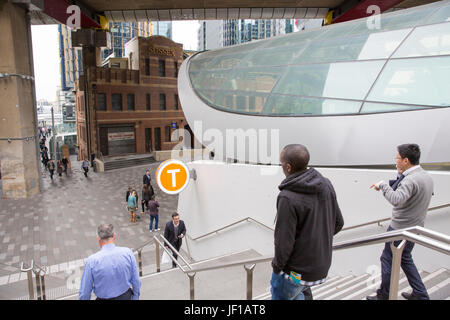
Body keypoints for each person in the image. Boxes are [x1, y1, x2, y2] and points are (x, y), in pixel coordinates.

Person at [271, 144, 344, 300]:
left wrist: (276, 268)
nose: (281, 167)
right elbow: (338, 223)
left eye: (281, 163)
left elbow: (284, 242)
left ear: (288, 167)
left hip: (295, 271)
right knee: (300, 290)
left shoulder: (287, 197)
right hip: (319, 267)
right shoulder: (325, 184)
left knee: (283, 291)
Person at [366, 144, 434, 300]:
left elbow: (397, 199)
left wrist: (383, 185)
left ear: (406, 160)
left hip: (399, 228)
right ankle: (420, 294)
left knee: (387, 259)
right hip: (416, 226)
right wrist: (393, 183)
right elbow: (413, 194)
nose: (396, 161)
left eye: (397, 158)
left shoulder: (410, 180)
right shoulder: (426, 176)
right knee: (405, 258)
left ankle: (384, 295)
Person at [79, 224, 141, 300]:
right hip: (126, 296)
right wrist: (135, 297)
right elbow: (136, 280)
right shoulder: (127, 253)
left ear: (98, 239)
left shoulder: (92, 261)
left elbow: (85, 292)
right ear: (114, 236)